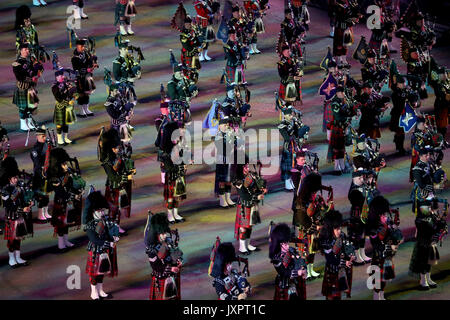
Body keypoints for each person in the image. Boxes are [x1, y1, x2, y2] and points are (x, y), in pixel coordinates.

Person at [83, 190, 119, 300]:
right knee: (94, 273)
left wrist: (114, 236)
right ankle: (94, 292)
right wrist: (109, 243)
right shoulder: (90, 225)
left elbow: (109, 232)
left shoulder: (105, 221)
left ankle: (100, 290)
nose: (102, 213)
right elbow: (94, 239)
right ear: (93, 211)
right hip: (95, 250)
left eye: (102, 210)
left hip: (104, 250)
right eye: (99, 211)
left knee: (102, 271)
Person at [47, 148, 85, 251]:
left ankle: (66, 240)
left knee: (67, 222)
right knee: (60, 223)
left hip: (68, 201)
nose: (66, 166)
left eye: (66, 163)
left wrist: (78, 191)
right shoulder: (54, 178)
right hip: (61, 201)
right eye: (63, 164)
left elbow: (72, 185)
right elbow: (60, 192)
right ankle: (60, 243)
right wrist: (72, 196)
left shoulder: (67, 173)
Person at [366, 196, 403, 300]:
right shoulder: (374, 228)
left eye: (385, 214)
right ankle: (376, 296)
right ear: (378, 215)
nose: (385, 216)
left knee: (383, 281)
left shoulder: (388, 223)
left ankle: (381, 296)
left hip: (387, 256)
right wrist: (388, 229)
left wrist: (395, 229)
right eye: (383, 214)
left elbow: (399, 236)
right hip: (378, 257)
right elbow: (377, 240)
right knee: (377, 280)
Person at [99, 128, 134, 234]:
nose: (117, 150)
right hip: (113, 186)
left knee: (118, 209)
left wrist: (130, 170)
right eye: (115, 148)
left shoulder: (117, 156)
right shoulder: (106, 161)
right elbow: (113, 177)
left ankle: (117, 226)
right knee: (113, 209)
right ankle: (110, 229)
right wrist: (126, 178)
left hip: (121, 186)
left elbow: (123, 166)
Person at [0, 157, 33, 268]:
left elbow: (23, 200)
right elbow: (9, 205)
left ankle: (18, 257)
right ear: (9, 178)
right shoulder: (5, 190)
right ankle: (11, 258)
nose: (16, 179)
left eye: (16, 177)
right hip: (11, 216)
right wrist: (21, 209)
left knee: (18, 238)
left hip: (19, 217)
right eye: (14, 178)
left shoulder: (19, 187)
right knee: (11, 240)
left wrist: (28, 205)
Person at [409, 198, 446, 290]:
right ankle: (423, 280)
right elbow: (428, 228)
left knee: (429, 262)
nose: (429, 208)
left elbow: (437, 226)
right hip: (423, 243)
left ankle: (428, 278)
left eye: (429, 207)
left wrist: (441, 224)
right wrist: (437, 224)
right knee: (423, 262)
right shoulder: (420, 219)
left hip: (431, 242)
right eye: (427, 207)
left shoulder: (432, 216)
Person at [144, 212, 183, 300]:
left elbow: (176, 253)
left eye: (165, 233)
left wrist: (179, 261)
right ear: (156, 234)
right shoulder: (152, 249)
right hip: (162, 276)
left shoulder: (168, 241)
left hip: (173, 275)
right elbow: (155, 266)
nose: (165, 235)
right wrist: (170, 269)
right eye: (162, 234)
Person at [319, 210, 355, 300]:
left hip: (342, 270)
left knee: (340, 295)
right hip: (332, 271)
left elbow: (347, 246)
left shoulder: (342, 235)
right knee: (333, 296)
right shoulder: (326, 241)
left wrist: (351, 254)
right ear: (331, 228)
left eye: (340, 228)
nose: (339, 231)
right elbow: (330, 259)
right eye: (337, 229)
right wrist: (344, 263)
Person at [234, 161, 267, 255]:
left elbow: (257, 189)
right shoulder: (239, 179)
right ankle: (242, 247)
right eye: (247, 166)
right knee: (243, 227)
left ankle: (247, 245)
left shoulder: (253, 176)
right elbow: (243, 194)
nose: (249, 168)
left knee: (250, 225)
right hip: (244, 205)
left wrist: (262, 190)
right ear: (243, 167)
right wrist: (257, 197)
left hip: (253, 204)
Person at [269, 223, 307, 300]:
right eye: (285, 243)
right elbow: (283, 272)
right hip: (284, 284)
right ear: (279, 244)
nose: (287, 245)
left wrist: (304, 269)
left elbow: (300, 260)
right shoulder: (276, 258)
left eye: (287, 242)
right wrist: (298, 272)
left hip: (296, 283)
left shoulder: (291, 250)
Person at [327, 86, 356, 174]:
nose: (343, 94)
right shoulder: (335, 103)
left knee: (342, 148)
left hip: (343, 127)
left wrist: (353, 109)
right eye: (341, 92)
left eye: (343, 92)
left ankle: (342, 166)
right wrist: (348, 117)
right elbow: (338, 116)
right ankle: (337, 168)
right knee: (337, 149)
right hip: (337, 127)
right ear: (337, 93)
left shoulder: (344, 100)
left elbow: (349, 111)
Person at [12, 43, 40, 131]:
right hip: (23, 88)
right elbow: (19, 77)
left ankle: (29, 122)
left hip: (30, 87)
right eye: (25, 49)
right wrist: (30, 76)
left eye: (28, 49)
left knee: (30, 106)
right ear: (21, 51)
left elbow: (34, 73)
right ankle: (23, 124)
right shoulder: (17, 63)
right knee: (23, 107)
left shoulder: (29, 61)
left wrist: (37, 67)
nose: (27, 51)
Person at [347, 169, 372, 264]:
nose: (362, 179)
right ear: (354, 179)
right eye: (359, 178)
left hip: (365, 213)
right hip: (356, 215)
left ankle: (363, 253)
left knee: (363, 235)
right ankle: (357, 256)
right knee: (356, 235)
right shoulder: (353, 189)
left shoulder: (364, 186)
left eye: (362, 177)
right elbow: (352, 199)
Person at [30, 126, 52, 222]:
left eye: (44, 136)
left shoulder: (47, 146)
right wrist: (43, 171)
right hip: (40, 174)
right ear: (37, 137)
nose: (44, 138)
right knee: (41, 196)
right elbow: (38, 163)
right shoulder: (35, 149)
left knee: (46, 195)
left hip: (47, 173)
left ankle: (45, 212)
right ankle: (40, 214)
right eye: (42, 136)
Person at [71, 38, 97, 118]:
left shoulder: (86, 54)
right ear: (77, 46)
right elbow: (76, 69)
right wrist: (87, 69)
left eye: (83, 46)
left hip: (87, 77)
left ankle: (86, 109)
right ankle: (81, 111)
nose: (83, 48)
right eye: (81, 46)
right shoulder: (75, 58)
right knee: (81, 94)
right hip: (80, 78)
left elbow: (90, 61)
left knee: (87, 94)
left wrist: (93, 64)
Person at [215, 117, 237, 208]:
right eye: (224, 125)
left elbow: (236, 143)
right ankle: (222, 200)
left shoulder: (230, 134)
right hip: (222, 159)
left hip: (230, 159)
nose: (226, 126)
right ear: (219, 127)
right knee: (222, 181)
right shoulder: (218, 135)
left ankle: (228, 198)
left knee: (229, 180)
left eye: (227, 125)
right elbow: (221, 148)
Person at [52, 69, 78, 145]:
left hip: (68, 106)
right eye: (61, 75)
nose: (63, 76)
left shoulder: (66, 83)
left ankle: (66, 138)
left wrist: (74, 95)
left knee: (66, 123)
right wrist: (68, 102)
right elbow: (58, 98)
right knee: (60, 124)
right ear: (57, 77)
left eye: (63, 75)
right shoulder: (54, 87)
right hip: (60, 106)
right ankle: (60, 139)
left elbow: (72, 91)